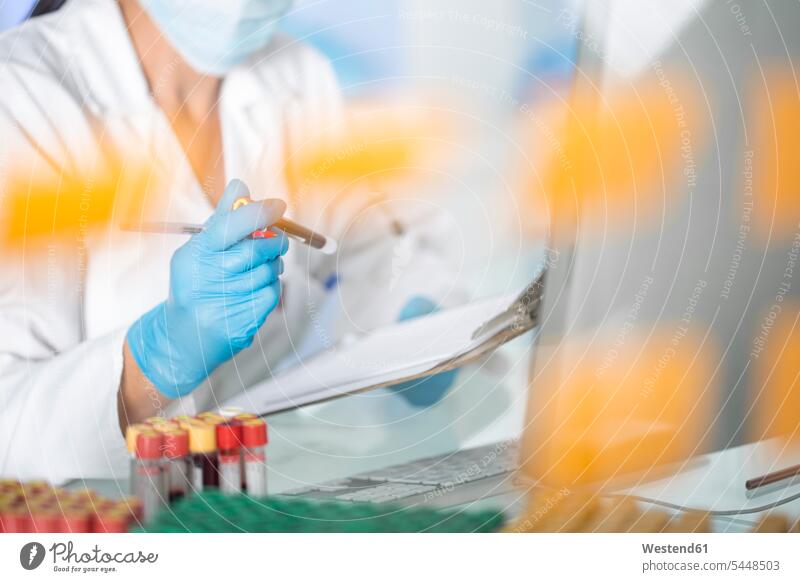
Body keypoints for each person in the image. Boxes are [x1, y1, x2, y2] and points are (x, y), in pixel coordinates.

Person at [0, 0, 461, 482]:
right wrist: (156, 359)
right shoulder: (22, 91)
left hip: (274, 493)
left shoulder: (297, 75)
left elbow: (384, 242)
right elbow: (9, 426)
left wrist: (419, 320)